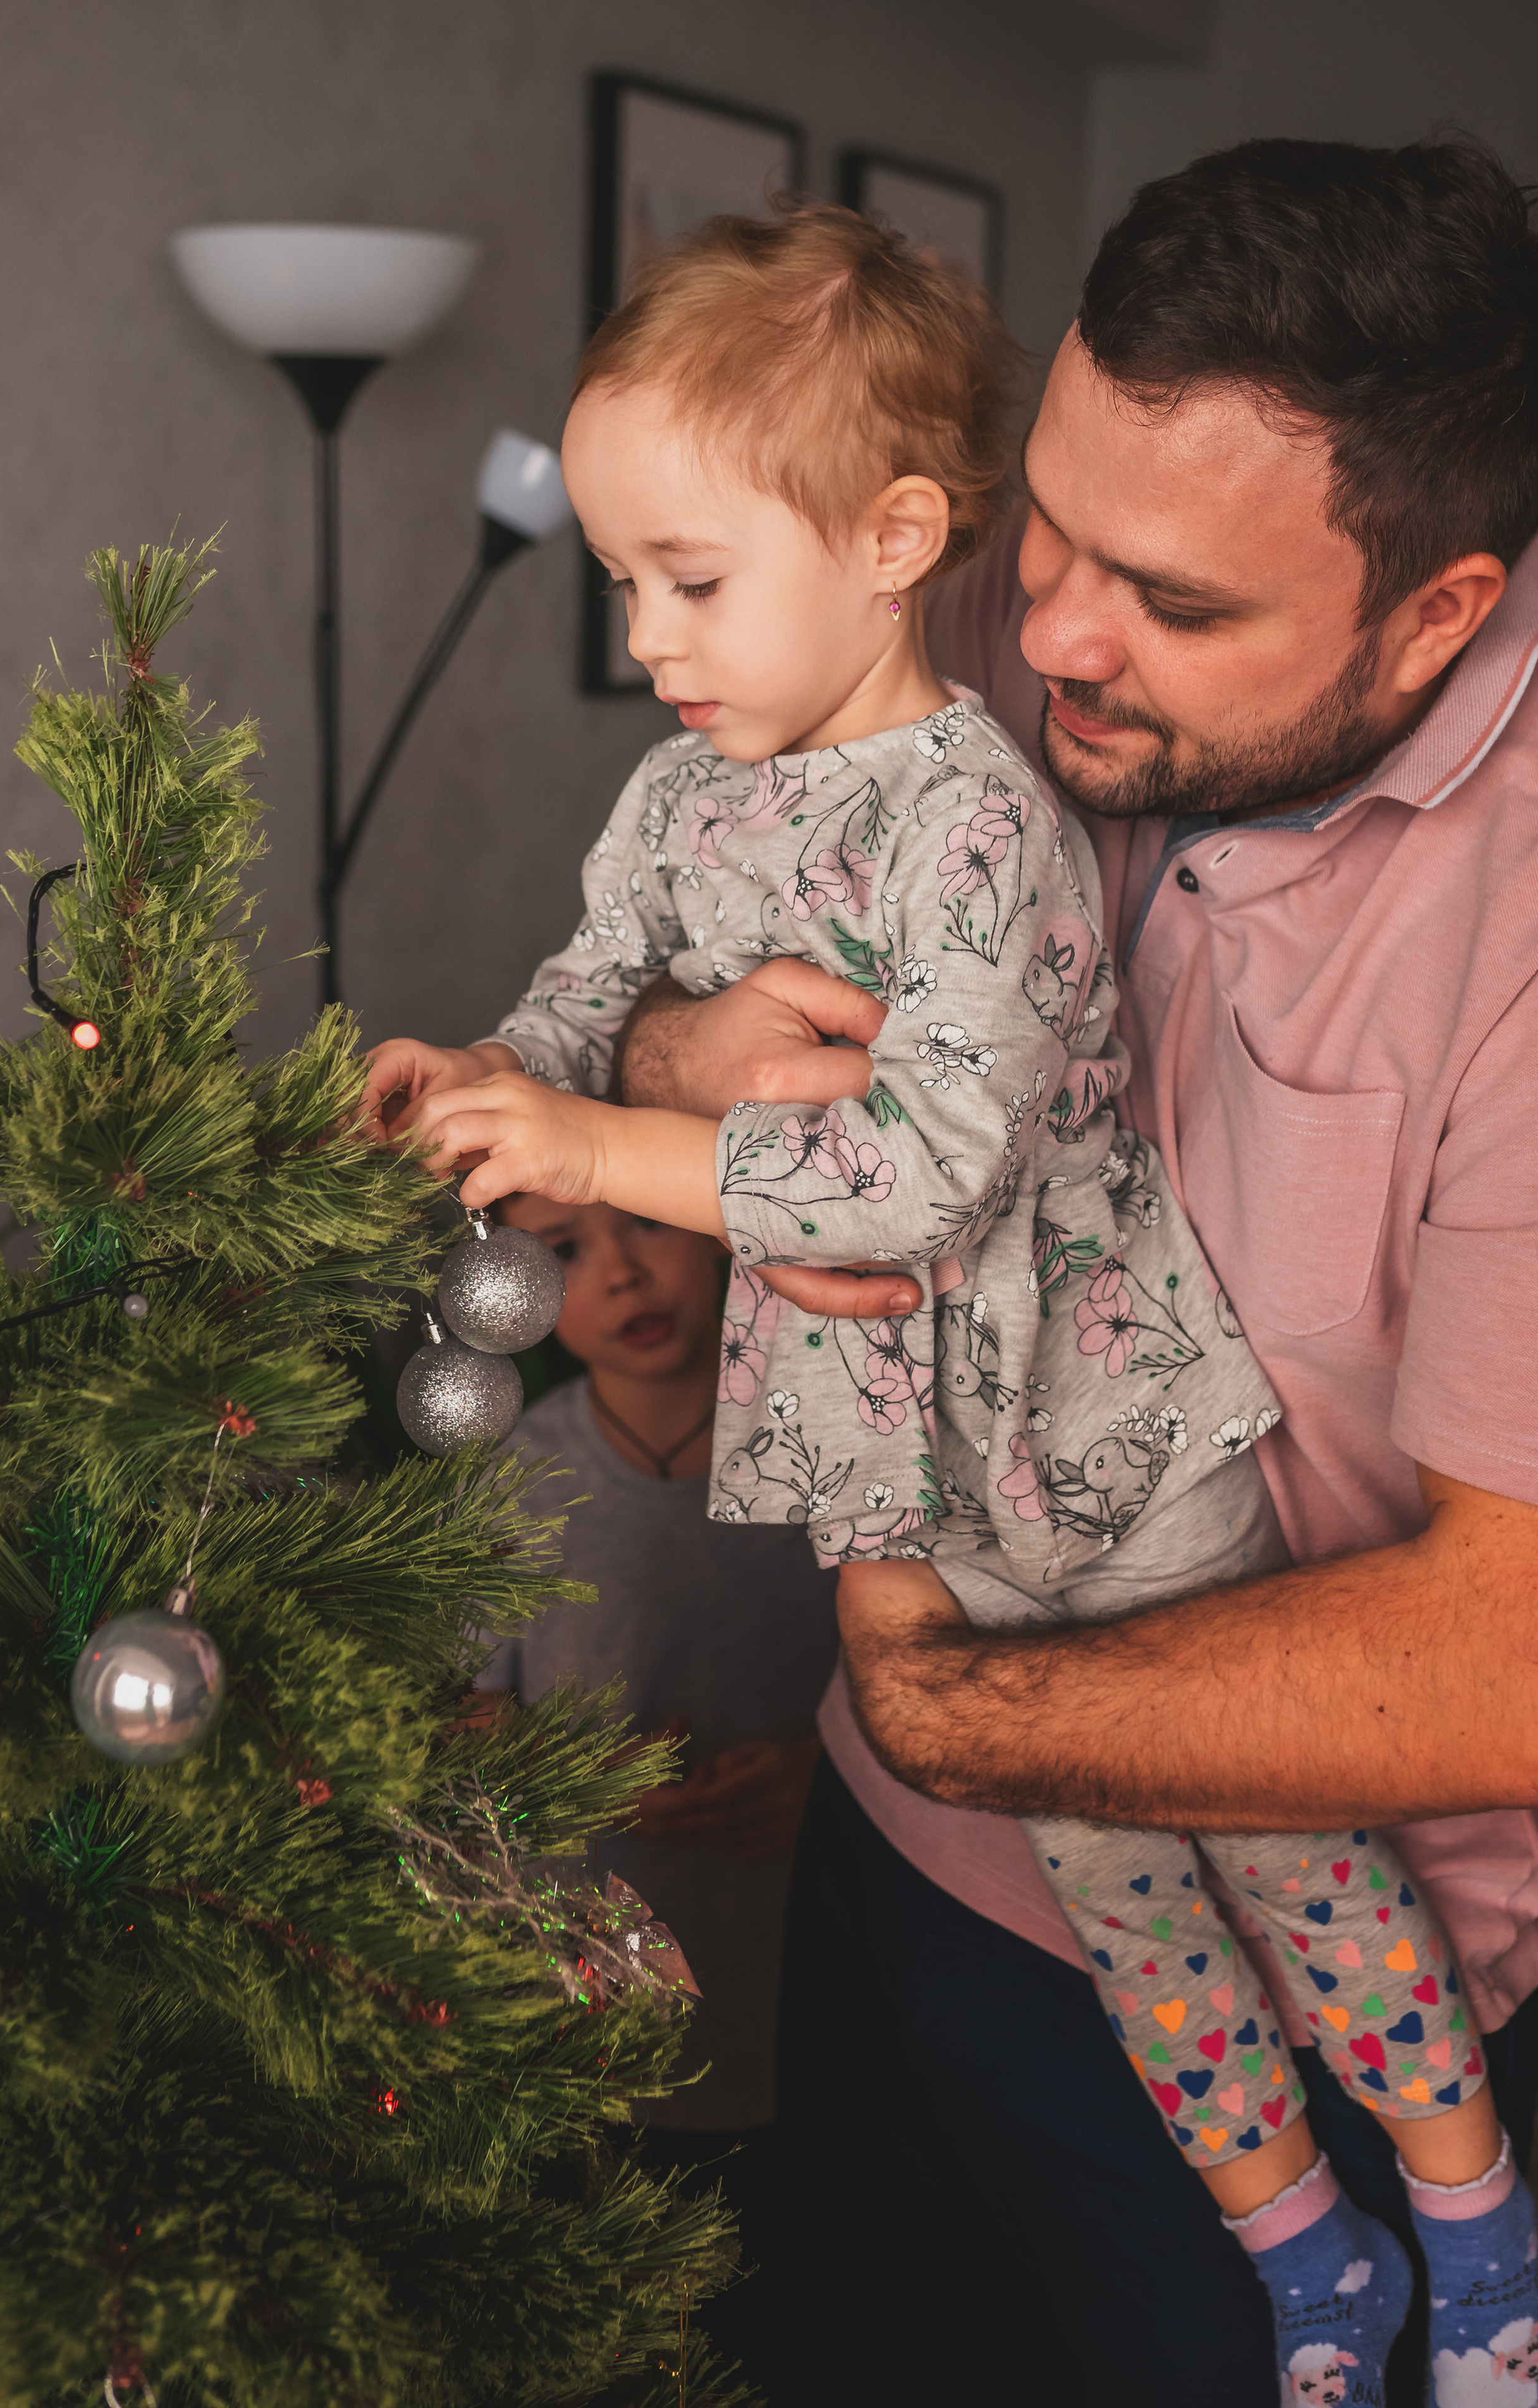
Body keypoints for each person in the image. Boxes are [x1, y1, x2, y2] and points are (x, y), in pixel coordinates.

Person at [361, 198, 1533, 2398]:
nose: (1049, 632)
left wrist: (931, 1690)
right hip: (899, 1861)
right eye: (1048, 535)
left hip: (1287, 1917)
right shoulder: (907, 638)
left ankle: (1431, 2244)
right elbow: (649, 979)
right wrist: (632, 1056)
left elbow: (1509, 1653)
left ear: (1433, 612)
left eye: (1169, 602)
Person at [471, 1197, 837, 2394]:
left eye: (646, 1224)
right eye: (568, 1252)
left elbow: (921, 1679)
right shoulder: (514, 1480)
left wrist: (821, 1774)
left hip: (804, 2002)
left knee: (792, 2323)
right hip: (581, 2020)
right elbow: (450, 1730)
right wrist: (582, 1768)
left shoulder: (827, 1439)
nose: (624, 1273)